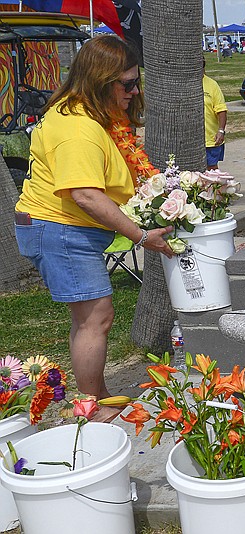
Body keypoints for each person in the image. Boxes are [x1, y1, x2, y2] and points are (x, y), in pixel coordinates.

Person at [14, 35, 174, 422]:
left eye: (137, 82)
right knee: (95, 316)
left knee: (90, 316)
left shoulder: (88, 113)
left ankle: (97, 393)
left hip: (64, 227)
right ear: (101, 81)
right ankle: (89, 407)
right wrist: (140, 236)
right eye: (128, 84)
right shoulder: (79, 128)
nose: (135, 93)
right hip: (60, 228)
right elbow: (85, 195)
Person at [203, 57, 228, 170]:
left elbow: (221, 110)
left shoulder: (212, 85)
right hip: (190, 139)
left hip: (210, 139)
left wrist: (221, 131)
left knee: (212, 170)